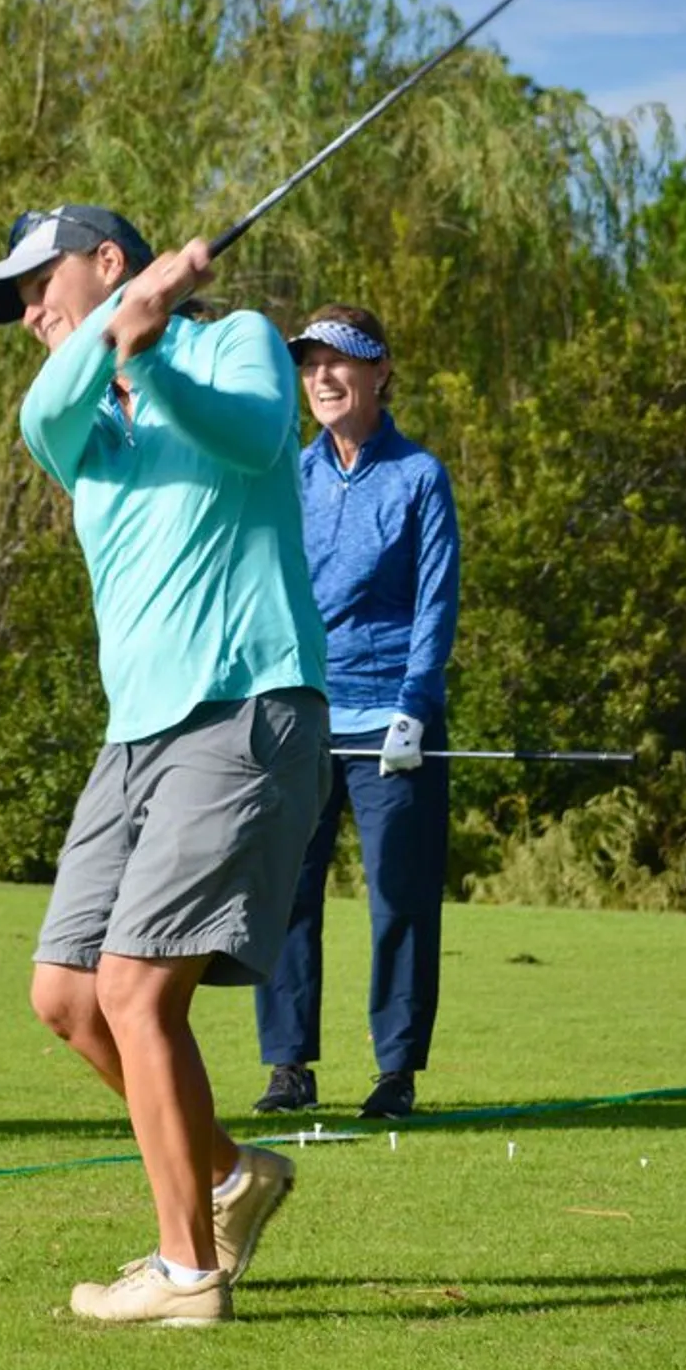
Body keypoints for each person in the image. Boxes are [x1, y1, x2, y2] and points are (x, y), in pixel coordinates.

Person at [0, 206, 331, 1325]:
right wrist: (122, 328)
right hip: (135, 736)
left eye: (41, 284)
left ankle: (187, 1272)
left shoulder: (236, 342)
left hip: (244, 704)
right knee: (68, 995)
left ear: (106, 260)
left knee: (134, 989)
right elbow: (40, 407)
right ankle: (228, 1176)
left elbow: (261, 437)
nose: (30, 313)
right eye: (17, 301)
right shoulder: (70, 415)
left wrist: (152, 348)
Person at [251, 305, 460, 1122]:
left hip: (390, 722)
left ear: (379, 373)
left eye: (341, 363)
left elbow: (433, 601)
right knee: (284, 895)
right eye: (310, 366)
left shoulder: (417, 476)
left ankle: (396, 1071)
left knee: (398, 899)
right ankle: (287, 1065)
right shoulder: (287, 475)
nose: (323, 379)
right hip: (301, 713)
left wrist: (414, 702)